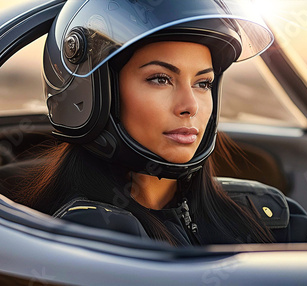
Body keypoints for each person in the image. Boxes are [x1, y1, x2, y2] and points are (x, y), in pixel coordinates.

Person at [17, 0, 275, 246]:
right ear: (95, 94)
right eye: (161, 79)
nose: (190, 106)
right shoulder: (90, 235)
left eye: (202, 83)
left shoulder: (270, 213)